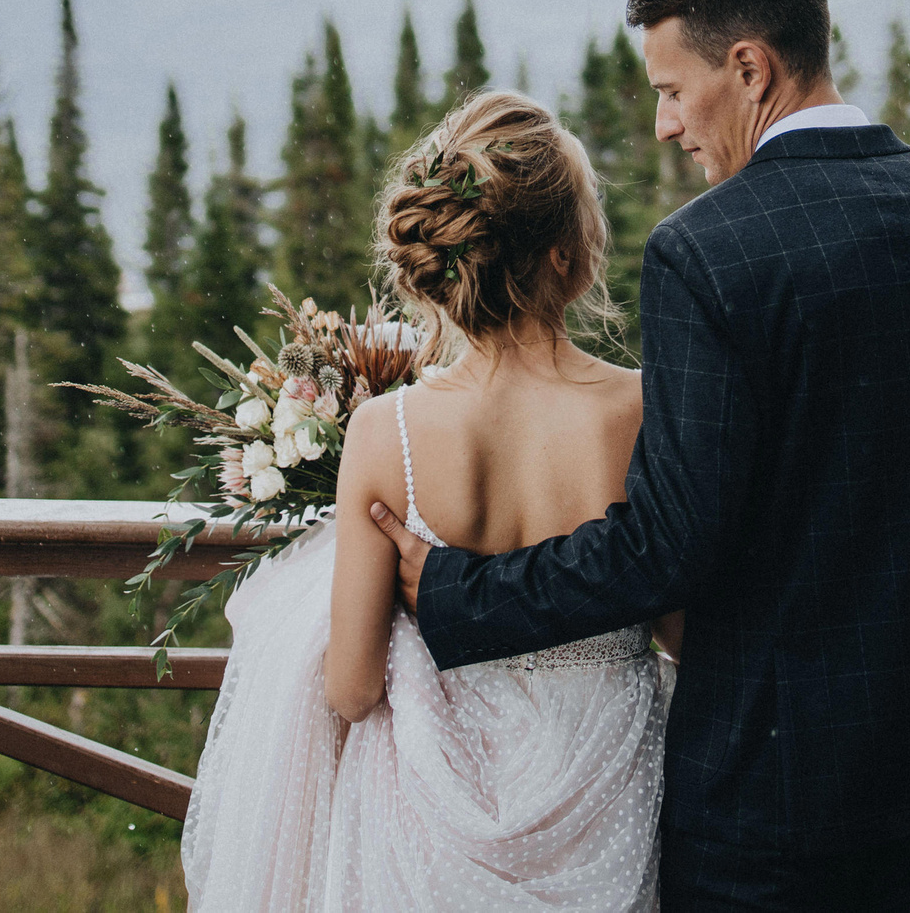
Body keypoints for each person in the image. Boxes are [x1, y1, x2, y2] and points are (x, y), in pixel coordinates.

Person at [373, 0, 910, 912]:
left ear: (749, 67)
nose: (664, 124)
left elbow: (667, 545)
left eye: (669, 88)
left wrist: (460, 593)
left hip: (770, 808)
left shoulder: (708, 251)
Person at [180, 90, 673, 913]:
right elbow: (680, 624)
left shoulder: (388, 431)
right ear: (567, 253)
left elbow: (351, 688)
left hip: (433, 823)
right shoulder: (643, 410)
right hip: (610, 804)